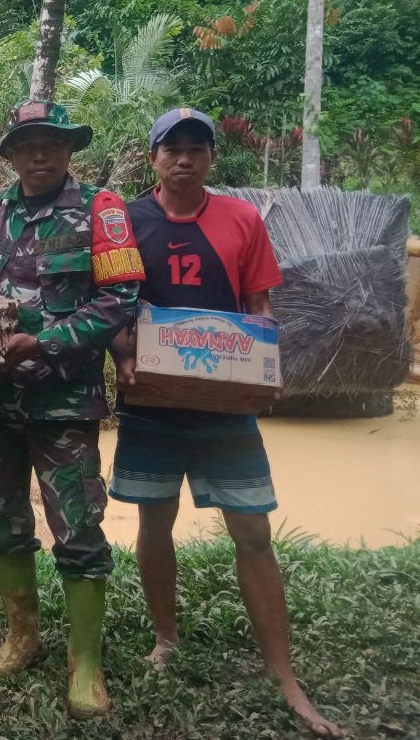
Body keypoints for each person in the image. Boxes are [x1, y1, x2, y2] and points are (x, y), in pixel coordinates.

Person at [108, 108, 340, 738]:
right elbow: (114, 305)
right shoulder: (125, 222)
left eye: (196, 149)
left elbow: (259, 305)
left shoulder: (241, 219)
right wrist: (124, 354)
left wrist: (269, 369)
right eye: (172, 148)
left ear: (211, 158)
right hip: (150, 406)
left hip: (225, 408)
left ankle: (282, 672)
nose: (184, 159)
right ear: (152, 156)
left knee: (253, 533)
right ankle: (165, 639)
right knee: (155, 522)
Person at [0, 100, 144, 718]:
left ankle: (87, 665)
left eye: (51, 142)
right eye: (26, 143)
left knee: (78, 528)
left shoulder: (100, 211)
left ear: (69, 149)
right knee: (0, 517)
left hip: (64, 404)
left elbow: (121, 300)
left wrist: (47, 340)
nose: (39, 153)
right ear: (9, 153)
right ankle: (22, 636)